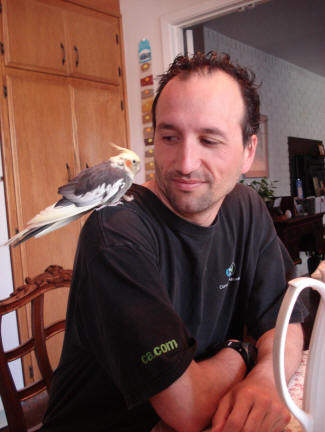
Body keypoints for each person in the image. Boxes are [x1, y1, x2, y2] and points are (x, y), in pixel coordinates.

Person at [41, 52, 306, 432]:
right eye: (169, 137)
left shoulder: (245, 207)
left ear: (249, 150)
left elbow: (284, 320)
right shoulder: (116, 232)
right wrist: (242, 352)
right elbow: (188, 407)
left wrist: (267, 377)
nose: (184, 163)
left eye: (209, 140)